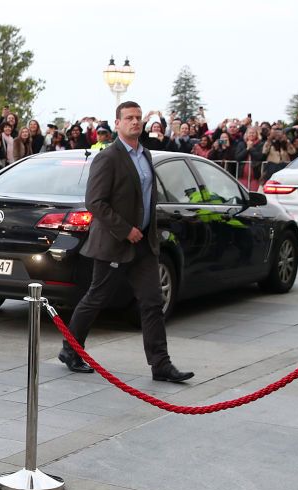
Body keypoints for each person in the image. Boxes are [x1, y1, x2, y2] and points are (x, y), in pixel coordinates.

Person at [58, 101, 194, 384]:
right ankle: (70, 349)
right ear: (117, 123)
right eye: (129, 118)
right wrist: (125, 229)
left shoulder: (145, 155)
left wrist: (145, 231)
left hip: (144, 244)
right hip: (114, 243)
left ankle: (161, 364)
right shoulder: (108, 157)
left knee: (153, 303)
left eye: (138, 118)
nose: (135, 122)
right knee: (96, 297)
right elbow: (94, 202)